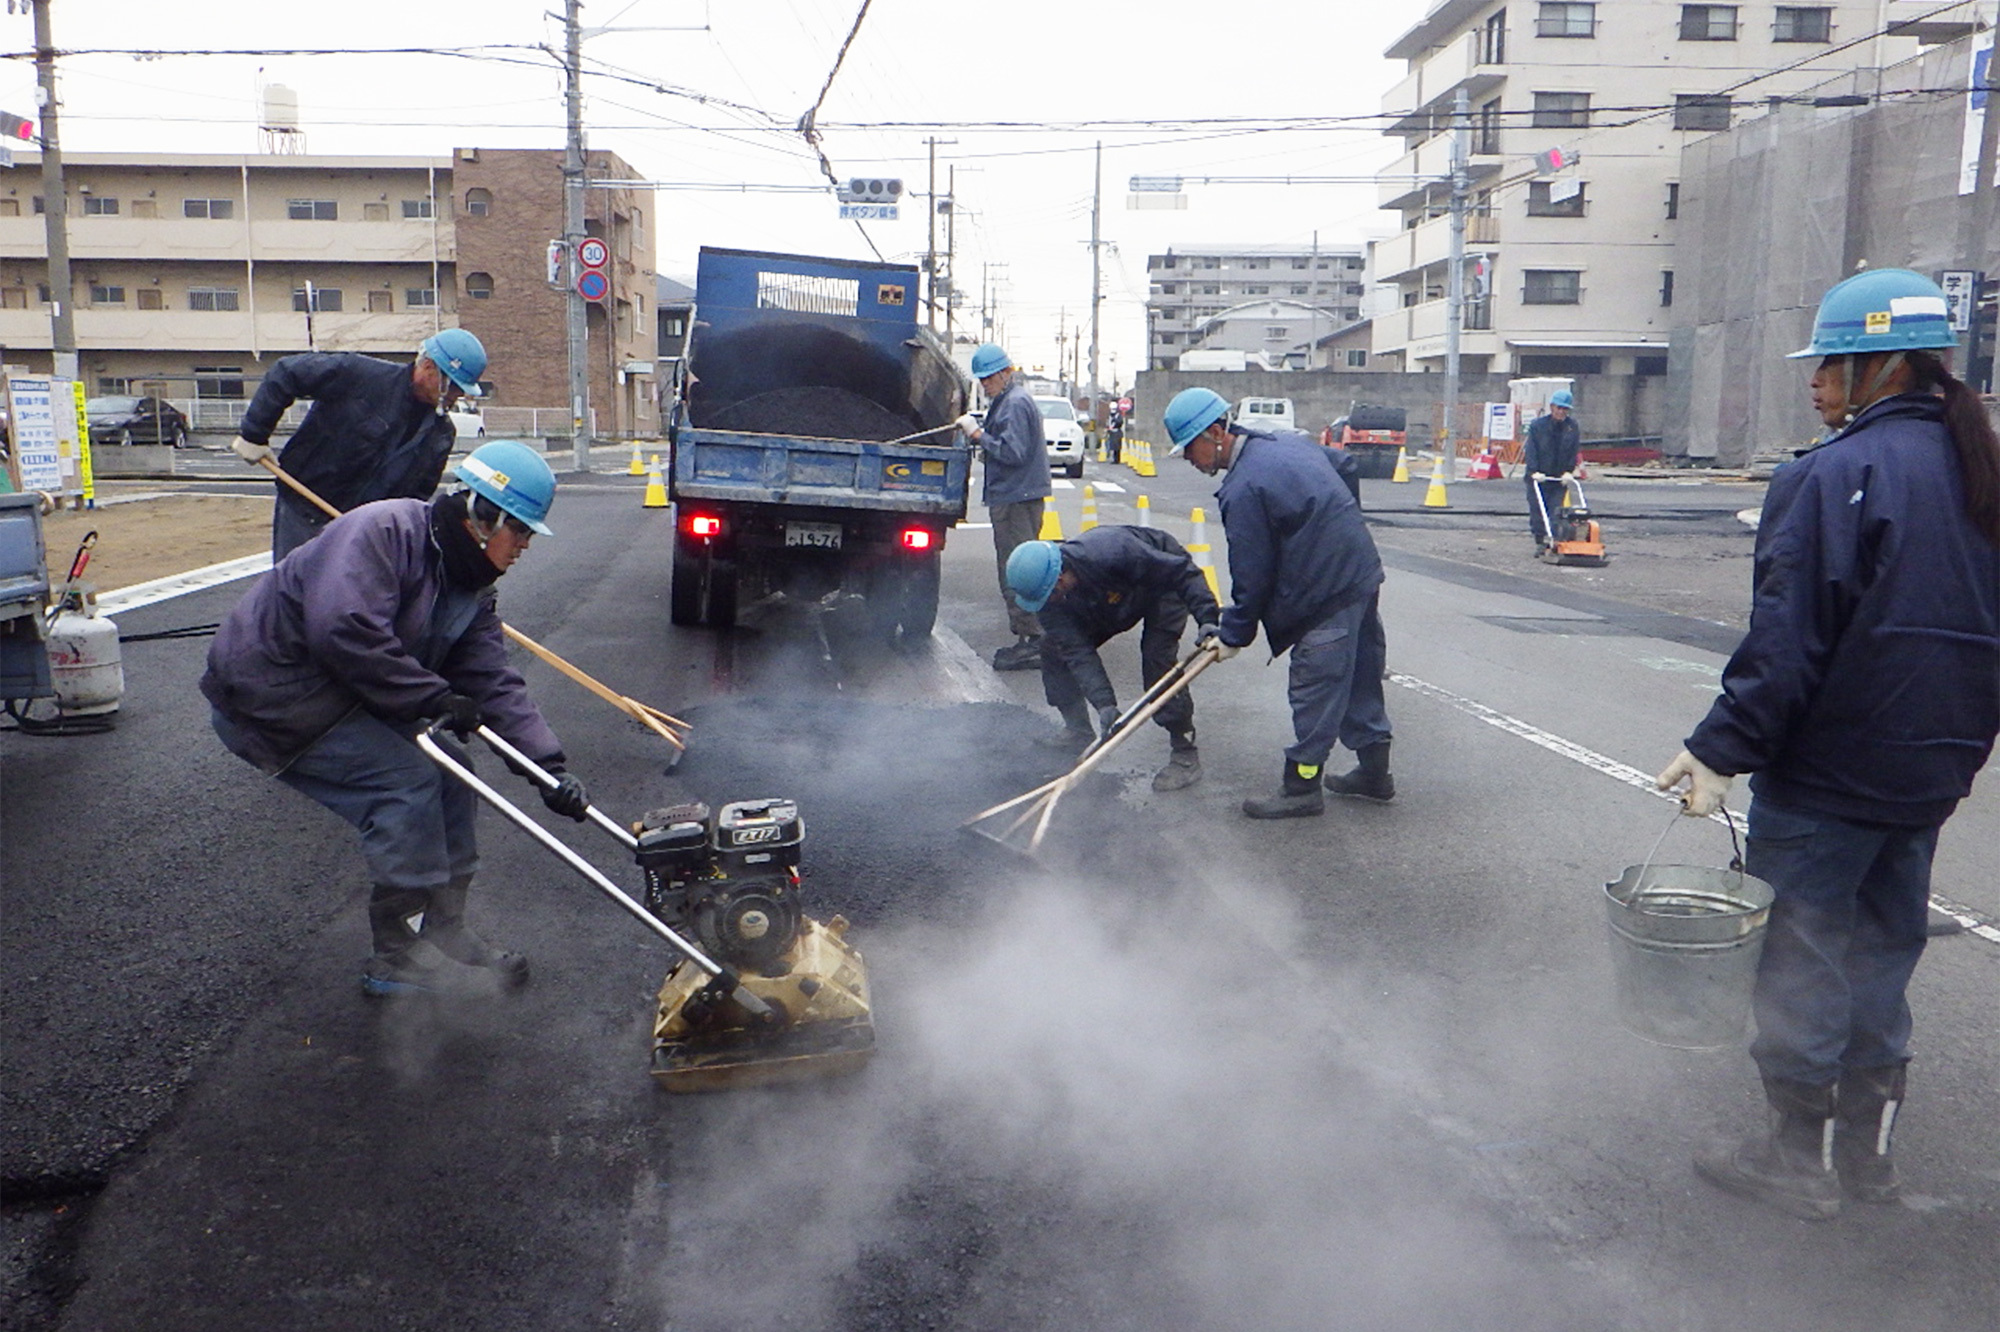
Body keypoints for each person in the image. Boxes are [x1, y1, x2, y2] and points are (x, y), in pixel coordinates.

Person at [1656, 268, 2000, 1220]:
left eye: (1832, 364)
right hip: (1933, 771)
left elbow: (1788, 639)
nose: (1815, 382)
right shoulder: (1983, 469)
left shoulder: (1830, 475)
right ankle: (1870, 1164)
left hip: (1829, 775)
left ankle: (1796, 1164)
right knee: (1883, 954)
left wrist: (1721, 749)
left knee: (1801, 960)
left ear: (1882, 366)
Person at [201, 439, 593, 997]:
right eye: (522, 531)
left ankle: (443, 928)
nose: (526, 545)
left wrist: (547, 768)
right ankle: (396, 953)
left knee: (453, 773)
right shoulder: (386, 531)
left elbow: (494, 682)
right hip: (269, 692)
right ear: (487, 516)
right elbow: (343, 628)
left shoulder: (471, 588)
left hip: (344, 692)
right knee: (402, 781)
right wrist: (432, 697)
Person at [1167, 386, 1395, 819]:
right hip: (1360, 570)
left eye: (1189, 447)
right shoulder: (1283, 443)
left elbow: (1251, 575)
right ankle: (1374, 773)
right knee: (1360, 671)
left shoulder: (1243, 488)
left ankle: (1302, 787)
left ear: (1216, 431)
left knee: (1317, 683)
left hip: (1324, 591)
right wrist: (1342, 524)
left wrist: (1234, 633)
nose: (1187, 459)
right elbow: (1344, 464)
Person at [231, 329, 489, 558]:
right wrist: (255, 434)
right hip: (304, 511)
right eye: (453, 385)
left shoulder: (440, 434)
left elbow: (416, 497)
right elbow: (286, 372)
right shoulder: (359, 376)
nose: (457, 395)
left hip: (361, 533)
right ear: (429, 367)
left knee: (342, 605)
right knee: (293, 596)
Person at [1004, 526, 1223, 791]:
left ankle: (1184, 752)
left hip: (1160, 584)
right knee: (1055, 651)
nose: (1051, 602)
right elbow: (1077, 651)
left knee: (1158, 660)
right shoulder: (1050, 602)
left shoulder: (1113, 552)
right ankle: (1078, 731)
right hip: (1105, 600)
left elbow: (1181, 573)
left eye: (1052, 595)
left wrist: (1208, 618)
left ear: (1060, 577)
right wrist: (1105, 704)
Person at [953, 342, 1051, 670]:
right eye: (982, 381)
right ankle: (1030, 637)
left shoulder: (1014, 403)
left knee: (1018, 570)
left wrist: (978, 434)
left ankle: (1033, 640)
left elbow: (1013, 452)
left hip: (1016, 498)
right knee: (1018, 567)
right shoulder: (1009, 400)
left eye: (988, 379)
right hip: (1017, 496)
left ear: (1004, 373)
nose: (985, 385)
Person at [1522, 387, 1580, 552]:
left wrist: (1569, 471)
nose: (1561, 412)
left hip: (1558, 478)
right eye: (1559, 408)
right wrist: (1534, 471)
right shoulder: (1538, 426)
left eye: (1565, 409)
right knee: (1538, 511)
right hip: (1538, 477)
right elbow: (1532, 450)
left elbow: (1573, 450)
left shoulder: (1572, 427)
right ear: (1552, 407)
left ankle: (1555, 540)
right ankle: (1540, 541)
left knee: (1556, 512)